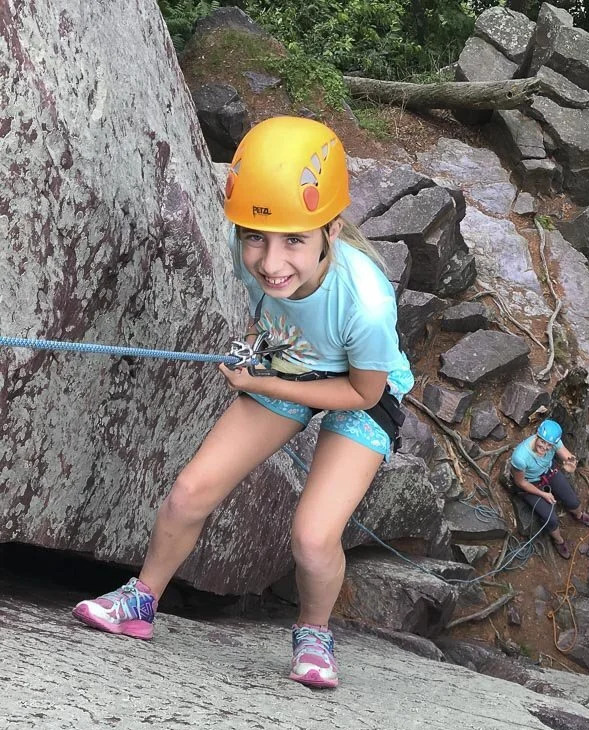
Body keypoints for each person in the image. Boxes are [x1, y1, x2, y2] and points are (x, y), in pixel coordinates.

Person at [72, 116, 414, 690]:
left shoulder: (368, 303)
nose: (271, 262)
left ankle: (314, 633)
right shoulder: (248, 253)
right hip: (288, 361)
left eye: (294, 241)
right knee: (190, 492)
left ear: (329, 229)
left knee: (311, 536)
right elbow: (271, 308)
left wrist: (260, 383)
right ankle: (140, 600)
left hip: (358, 392)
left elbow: (363, 391)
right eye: (258, 237)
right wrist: (261, 353)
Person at [509, 420, 589, 559]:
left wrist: (571, 462)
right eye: (542, 442)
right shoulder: (520, 457)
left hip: (547, 471)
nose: (544, 447)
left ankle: (579, 515)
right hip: (530, 483)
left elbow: (566, 455)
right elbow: (520, 483)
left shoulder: (554, 442)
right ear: (537, 436)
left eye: (549, 444)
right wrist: (543, 494)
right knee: (551, 519)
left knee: (573, 501)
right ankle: (558, 541)